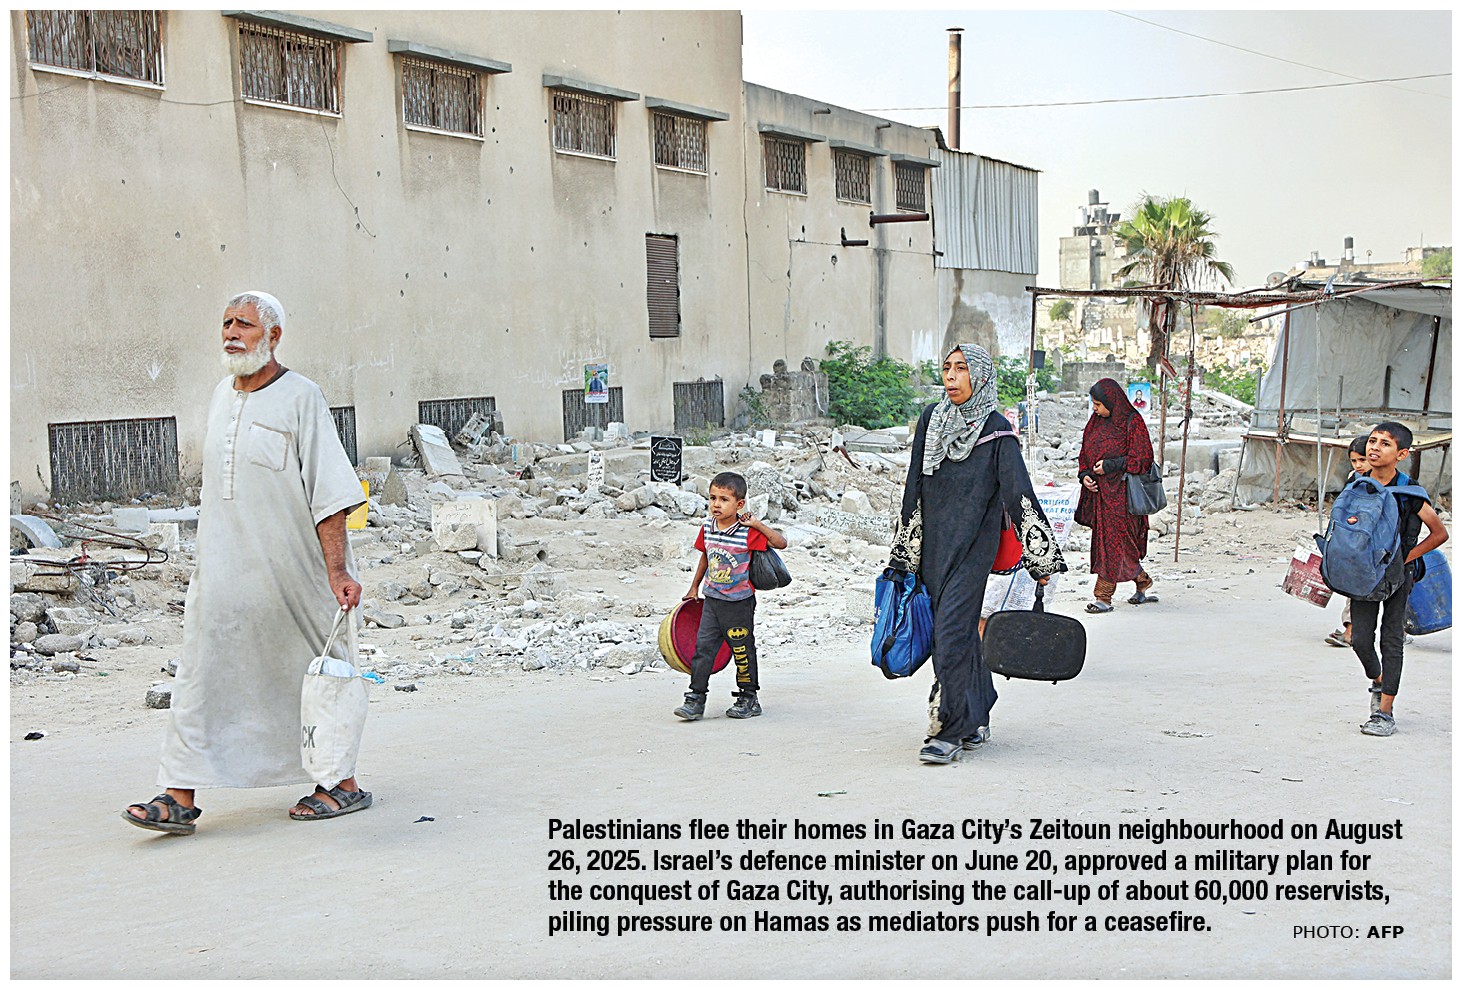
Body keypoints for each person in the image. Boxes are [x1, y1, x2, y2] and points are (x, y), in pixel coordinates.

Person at [123, 291, 370, 834]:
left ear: (273, 336)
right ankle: (178, 794)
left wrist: (337, 572)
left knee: (311, 677)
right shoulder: (220, 396)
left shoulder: (302, 397)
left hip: (292, 576)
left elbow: (330, 494)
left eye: (245, 325)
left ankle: (341, 784)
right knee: (200, 674)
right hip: (221, 574)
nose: (232, 333)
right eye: (227, 323)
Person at [893, 343, 1066, 764]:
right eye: (947, 368)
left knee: (950, 632)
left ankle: (949, 730)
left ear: (981, 376)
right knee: (957, 634)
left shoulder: (997, 430)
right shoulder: (932, 421)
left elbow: (1019, 494)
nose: (951, 376)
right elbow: (914, 486)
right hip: (933, 549)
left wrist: (1041, 559)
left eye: (962, 368)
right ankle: (979, 707)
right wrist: (905, 552)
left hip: (973, 549)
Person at [1349, 422, 1448, 736]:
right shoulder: (1357, 483)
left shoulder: (1410, 492)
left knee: (1391, 639)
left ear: (1402, 454)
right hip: (1364, 573)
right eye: (1373, 441)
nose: (1375, 448)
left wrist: (1406, 558)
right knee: (1359, 639)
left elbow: (1439, 533)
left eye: (1385, 444)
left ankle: (1384, 713)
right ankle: (1379, 680)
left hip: (1398, 577)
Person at [674, 471, 788, 721]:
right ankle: (695, 698)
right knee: (703, 649)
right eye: (712, 498)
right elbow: (705, 557)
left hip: (739, 604)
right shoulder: (707, 527)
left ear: (739, 504)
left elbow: (781, 543)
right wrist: (694, 587)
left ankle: (749, 698)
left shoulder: (747, 532)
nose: (716, 504)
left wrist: (756, 524)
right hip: (712, 601)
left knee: (742, 651)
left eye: (724, 499)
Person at [1075, 378, 1157, 613]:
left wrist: (1111, 465)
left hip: (1123, 497)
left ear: (1112, 402)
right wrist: (1085, 475)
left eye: (1098, 404)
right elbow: (1085, 453)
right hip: (1101, 496)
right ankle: (1142, 581)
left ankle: (1103, 597)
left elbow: (1142, 458)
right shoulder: (1095, 423)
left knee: (1114, 544)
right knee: (1113, 544)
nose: (1095, 409)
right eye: (1093, 404)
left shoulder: (1132, 422)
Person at [1323, 436, 1372, 648]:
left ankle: (1396, 631)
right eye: (1354, 461)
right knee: (1356, 588)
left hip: (1376, 544)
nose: (1358, 465)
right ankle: (1350, 630)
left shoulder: (1382, 481)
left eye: (1363, 460)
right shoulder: (1354, 479)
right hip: (1355, 540)